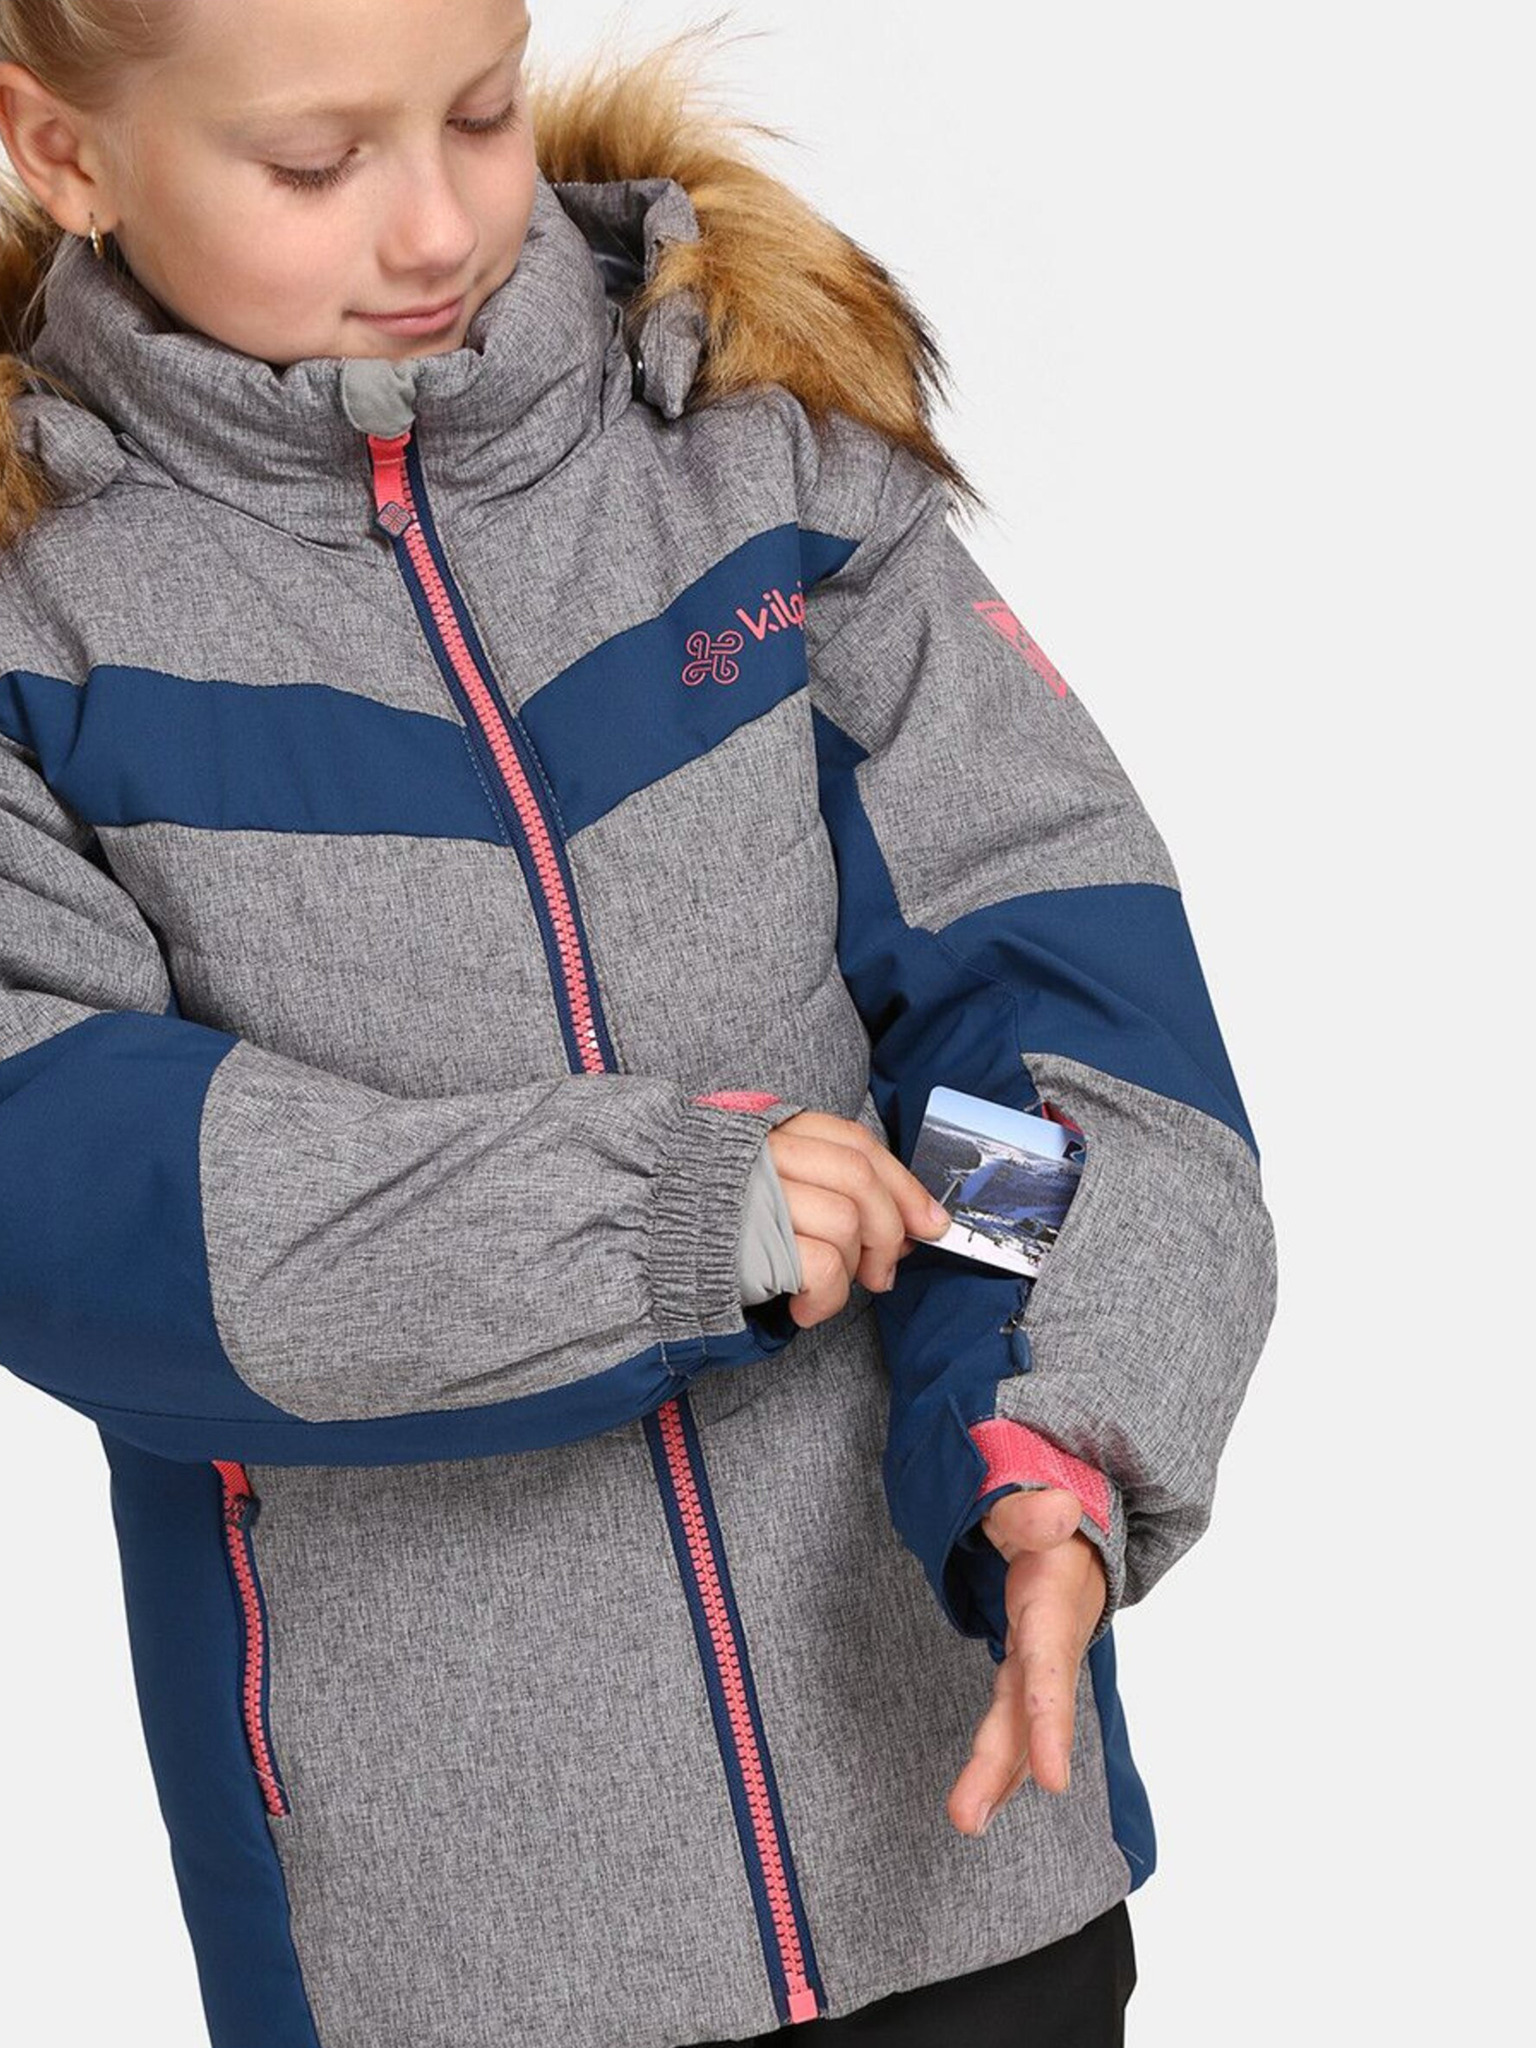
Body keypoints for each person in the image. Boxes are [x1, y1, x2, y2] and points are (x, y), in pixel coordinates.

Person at [0, 5, 1278, 2046]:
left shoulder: (759, 451)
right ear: (64, 151)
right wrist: (667, 1221)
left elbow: (1037, 1026)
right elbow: (87, 1204)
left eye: (479, 111)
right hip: (452, 1951)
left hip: (959, 1852)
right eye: (315, 165)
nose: (438, 224)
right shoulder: (36, 623)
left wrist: (1046, 1414)